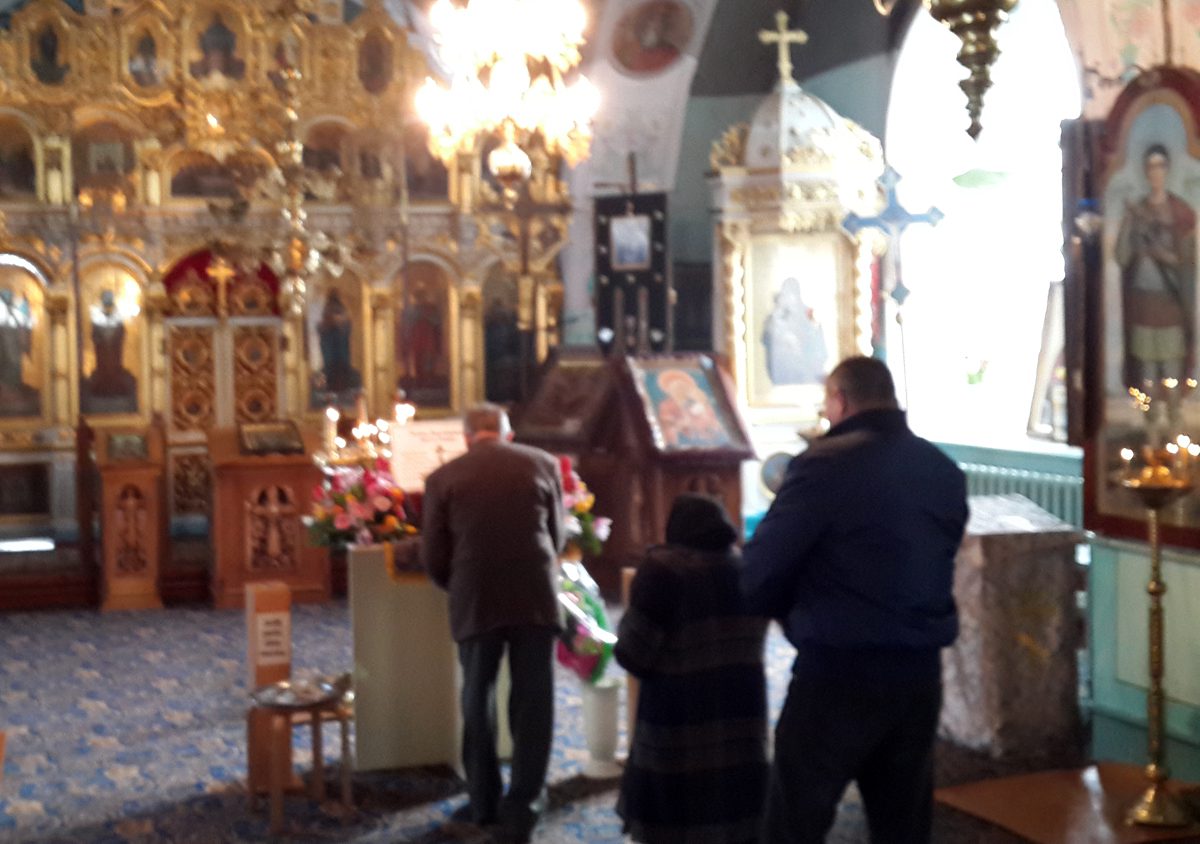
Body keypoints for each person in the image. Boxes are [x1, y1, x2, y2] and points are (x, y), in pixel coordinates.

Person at [742, 356, 967, 843]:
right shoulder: (943, 470)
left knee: (795, 821)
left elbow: (761, 571)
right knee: (902, 827)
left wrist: (787, 611)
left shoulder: (823, 465)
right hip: (919, 675)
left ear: (840, 401)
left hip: (837, 673)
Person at [421, 403, 564, 843]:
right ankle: (525, 805)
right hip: (535, 594)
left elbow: (434, 555)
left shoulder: (443, 478)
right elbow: (557, 535)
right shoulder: (543, 464)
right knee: (534, 699)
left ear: (466, 438)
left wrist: (458, 584)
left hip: (477, 596)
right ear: (508, 433)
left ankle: (483, 802)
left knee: (477, 695)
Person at [615, 493, 768, 844]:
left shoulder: (663, 572)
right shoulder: (749, 569)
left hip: (678, 740)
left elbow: (632, 655)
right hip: (741, 737)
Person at [1115, 143, 1196, 426]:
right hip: (1143, 304)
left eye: (1160, 165)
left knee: (1172, 372)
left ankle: (1174, 433)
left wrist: (1163, 255)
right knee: (1147, 375)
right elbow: (1121, 257)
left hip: (1170, 304)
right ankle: (1150, 436)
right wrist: (1129, 226)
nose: (1155, 172)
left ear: (1167, 169)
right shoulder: (1136, 211)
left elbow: (1188, 261)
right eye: (1151, 166)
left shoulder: (1180, 212)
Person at [761, 277, 828, 385]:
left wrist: (813, 327)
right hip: (782, 370)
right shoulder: (774, 319)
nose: (790, 298)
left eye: (793, 293)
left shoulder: (807, 315)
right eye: (787, 293)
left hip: (805, 371)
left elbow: (818, 346)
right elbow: (767, 340)